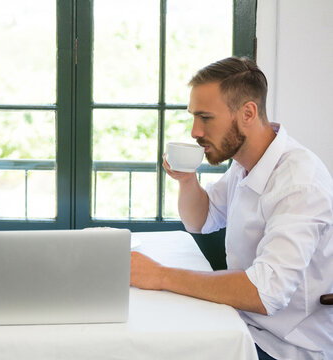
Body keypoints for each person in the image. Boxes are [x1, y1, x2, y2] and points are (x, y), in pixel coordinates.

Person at [130, 56, 333, 360]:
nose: (195, 131)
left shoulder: (298, 184)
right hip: (242, 323)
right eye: (193, 117)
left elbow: (265, 293)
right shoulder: (246, 163)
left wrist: (160, 275)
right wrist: (187, 181)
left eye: (206, 118)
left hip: (284, 347)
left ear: (248, 113)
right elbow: (203, 219)